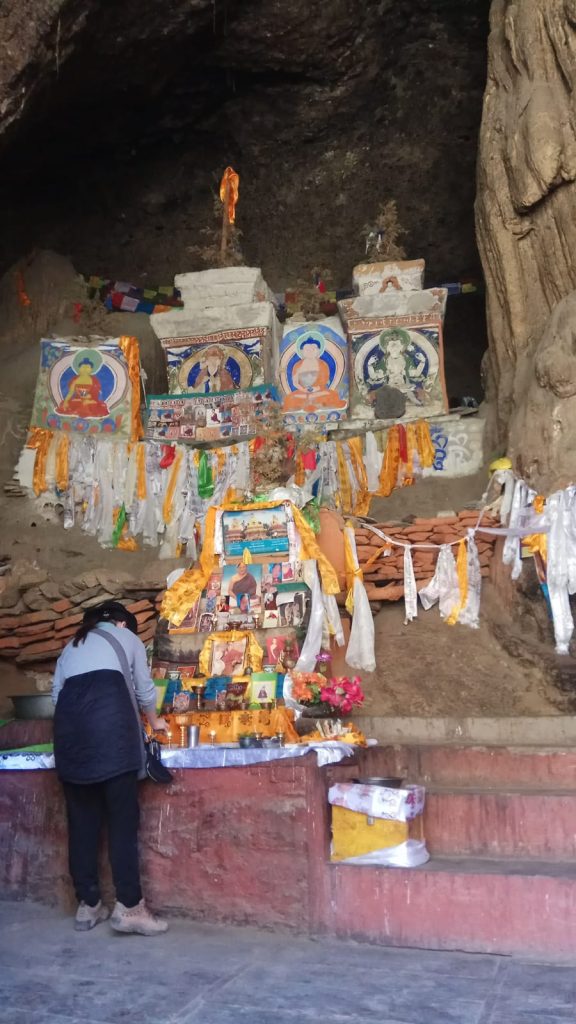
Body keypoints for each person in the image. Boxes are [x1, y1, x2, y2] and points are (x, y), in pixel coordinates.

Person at [52, 601, 169, 936]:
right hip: (112, 738)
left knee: (82, 823)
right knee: (122, 822)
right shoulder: (127, 638)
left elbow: (56, 697)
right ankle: (130, 907)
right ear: (121, 623)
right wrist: (155, 721)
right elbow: (144, 688)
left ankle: (88, 905)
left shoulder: (70, 647)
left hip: (71, 741)